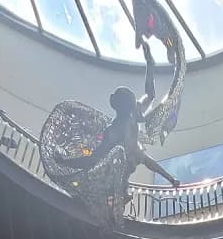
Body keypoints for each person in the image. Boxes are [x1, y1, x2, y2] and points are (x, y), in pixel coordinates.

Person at [64, 40, 180, 187]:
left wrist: (150, 63)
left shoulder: (130, 117)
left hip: (131, 160)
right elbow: (93, 159)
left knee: (139, 160)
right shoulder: (115, 129)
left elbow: (149, 95)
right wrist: (65, 162)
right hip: (121, 168)